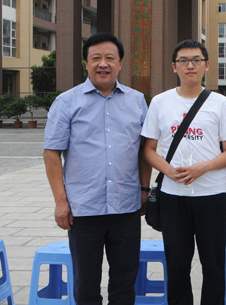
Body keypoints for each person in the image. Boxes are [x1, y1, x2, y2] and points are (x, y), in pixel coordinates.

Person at [44, 32, 151, 305]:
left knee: (125, 282)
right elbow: (52, 153)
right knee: (86, 284)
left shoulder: (137, 101)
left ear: (120, 63)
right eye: (96, 58)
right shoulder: (66, 102)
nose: (103, 64)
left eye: (110, 58)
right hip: (83, 208)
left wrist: (144, 189)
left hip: (126, 207)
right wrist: (60, 201)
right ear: (87, 63)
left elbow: (144, 150)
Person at [142, 40, 226, 305]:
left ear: (206, 65)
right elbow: (148, 149)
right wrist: (169, 171)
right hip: (173, 196)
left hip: (212, 195)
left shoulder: (220, 103)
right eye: (183, 61)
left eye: (196, 60)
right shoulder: (160, 102)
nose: (190, 66)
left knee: (213, 266)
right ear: (174, 67)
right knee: (176, 266)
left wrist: (201, 168)